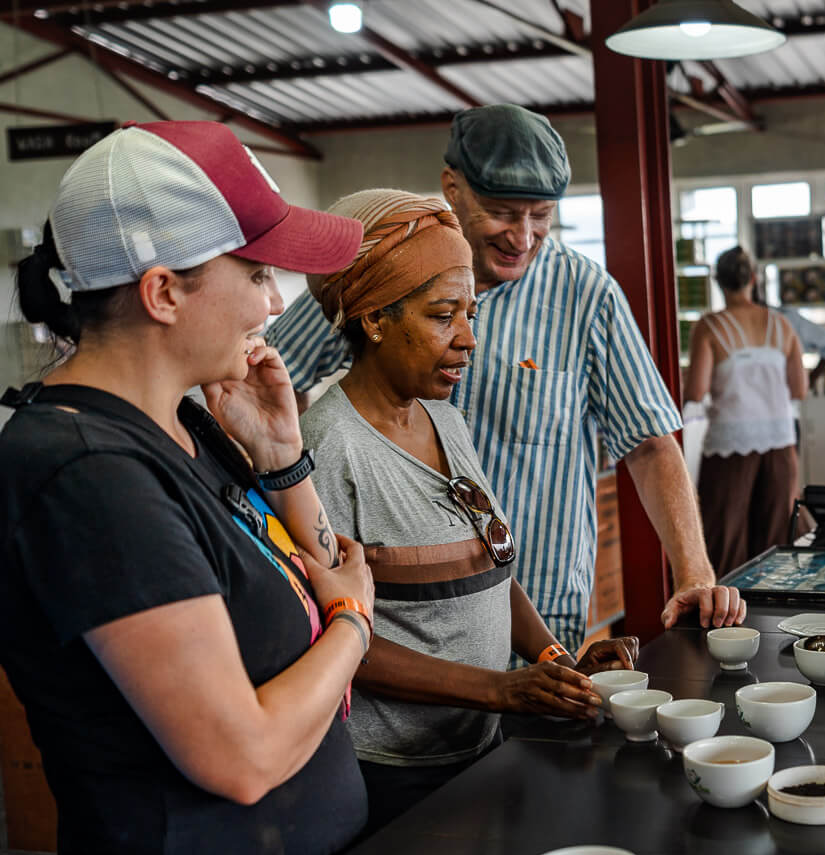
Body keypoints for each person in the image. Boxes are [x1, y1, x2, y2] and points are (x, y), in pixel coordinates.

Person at [0, 121, 375, 855]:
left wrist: (283, 459)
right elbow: (238, 755)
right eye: (255, 273)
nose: (274, 302)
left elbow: (319, 574)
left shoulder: (189, 425)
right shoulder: (86, 473)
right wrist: (357, 624)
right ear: (163, 291)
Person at [270, 104, 745, 652]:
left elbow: (649, 444)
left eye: (540, 215)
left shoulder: (583, 295)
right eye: (501, 212)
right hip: (403, 616)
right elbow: (272, 379)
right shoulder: (383, 267)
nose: (523, 237)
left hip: (539, 607)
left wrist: (694, 574)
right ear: (453, 187)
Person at [301, 189, 641, 830]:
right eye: (442, 316)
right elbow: (340, 645)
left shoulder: (446, 421)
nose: (467, 340)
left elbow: (491, 573)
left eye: (472, 316)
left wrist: (554, 664)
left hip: (479, 749)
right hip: (395, 774)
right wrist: (497, 689)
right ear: (374, 318)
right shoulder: (330, 447)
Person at [685, 246, 807, 574]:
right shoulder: (781, 326)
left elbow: (695, 391)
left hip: (729, 445)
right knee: (776, 543)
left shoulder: (710, 327)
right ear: (753, 278)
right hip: (780, 444)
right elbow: (799, 389)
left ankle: (725, 620)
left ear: (718, 282)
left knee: (724, 542)